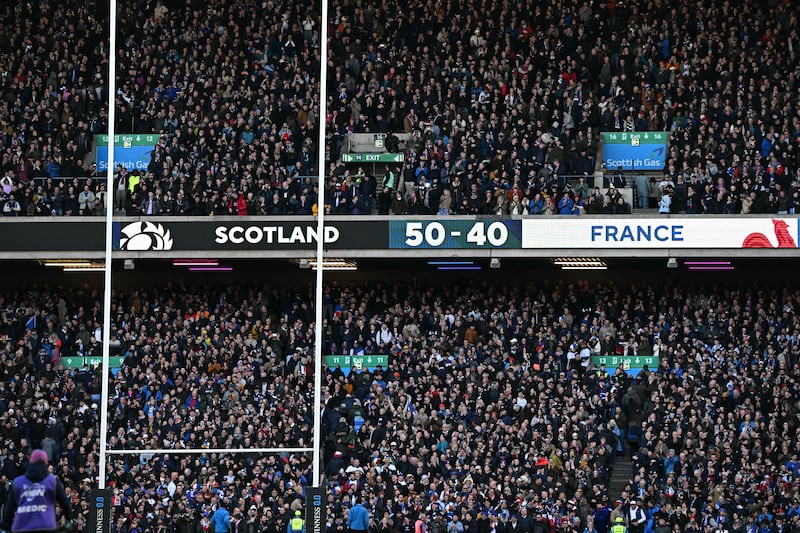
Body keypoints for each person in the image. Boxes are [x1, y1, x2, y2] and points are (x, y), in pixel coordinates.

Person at [1, 450, 72, 533]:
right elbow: (64, 502)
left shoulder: (18, 482)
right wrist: (69, 520)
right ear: (45, 464)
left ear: (31, 463)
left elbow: (9, 507)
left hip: (23, 526)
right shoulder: (52, 481)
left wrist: (5, 528)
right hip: (45, 525)